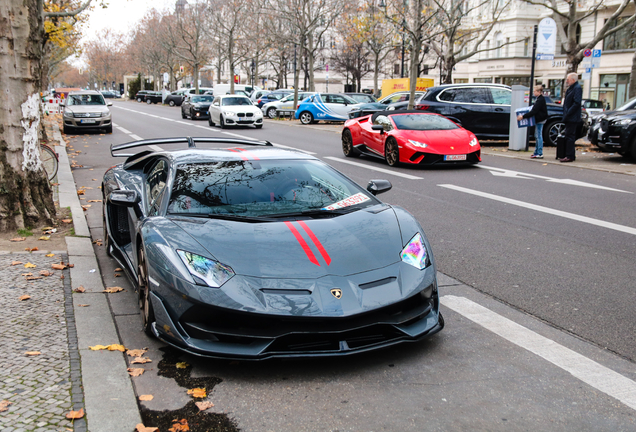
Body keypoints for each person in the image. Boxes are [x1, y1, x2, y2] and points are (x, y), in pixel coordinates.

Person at [517, 85, 548, 159]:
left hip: (540, 119)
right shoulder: (539, 99)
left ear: (539, 92)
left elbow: (534, 111)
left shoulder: (540, 100)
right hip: (540, 119)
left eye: (535, 91)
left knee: (538, 135)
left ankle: (539, 153)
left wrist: (523, 116)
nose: (534, 92)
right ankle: (537, 152)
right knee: (537, 135)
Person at [560, 72, 582, 163]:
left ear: (573, 80)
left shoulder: (577, 88)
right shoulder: (572, 88)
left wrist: (568, 112)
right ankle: (568, 154)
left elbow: (576, 102)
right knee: (568, 135)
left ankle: (569, 155)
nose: (567, 81)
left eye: (568, 80)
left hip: (572, 116)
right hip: (569, 116)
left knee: (570, 136)